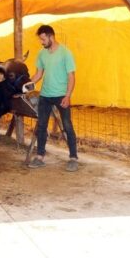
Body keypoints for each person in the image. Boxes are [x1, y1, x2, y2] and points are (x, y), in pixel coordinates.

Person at [26, 25, 78, 172]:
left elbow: (71, 76)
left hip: (62, 95)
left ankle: (73, 158)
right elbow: (38, 74)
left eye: (43, 39)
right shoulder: (42, 54)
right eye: (40, 40)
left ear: (51, 36)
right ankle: (40, 157)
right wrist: (26, 85)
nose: (41, 42)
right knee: (41, 126)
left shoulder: (65, 53)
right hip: (45, 95)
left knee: (67, 126)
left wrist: (68, 95)